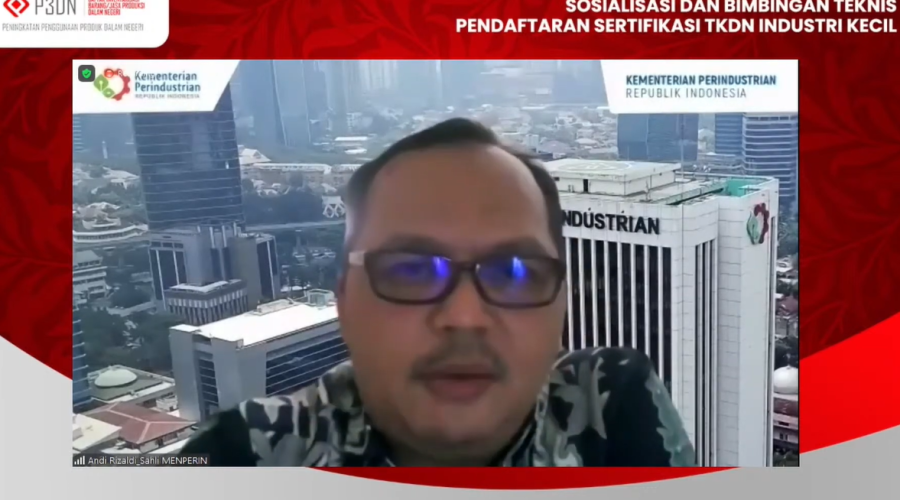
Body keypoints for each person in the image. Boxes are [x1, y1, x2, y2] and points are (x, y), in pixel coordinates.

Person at [181, 118, 695, 467]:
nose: (465, 317)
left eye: (514, 272)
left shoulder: (609, 402)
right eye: (410, 271)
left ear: (560, 305)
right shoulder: (249, 452)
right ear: (345, 304)